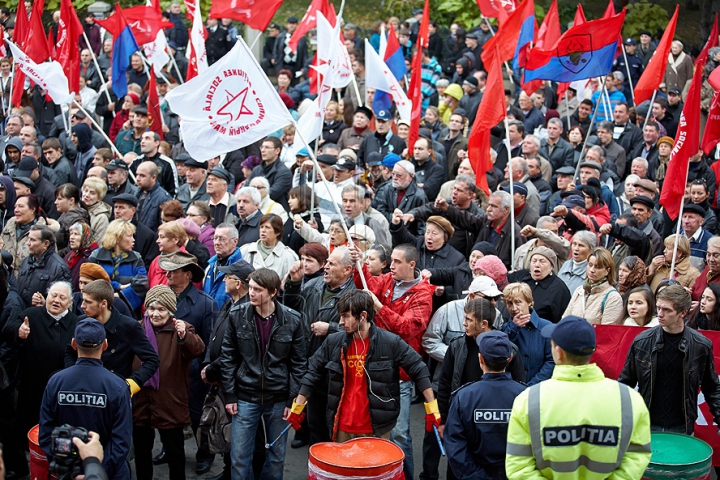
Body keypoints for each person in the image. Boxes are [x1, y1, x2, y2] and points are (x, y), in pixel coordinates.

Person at [506, 315, 652, 479]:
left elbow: (519, 470)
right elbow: (637, 457)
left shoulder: (528, 400)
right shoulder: (630, 399)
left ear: (558, 352)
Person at [292, 290, 436, 443]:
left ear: (363, 316)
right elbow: (312, 371)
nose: (341, 322)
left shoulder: (390, 342)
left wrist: (432, 409)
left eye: (346, 316)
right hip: (341, 427)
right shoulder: (333, 342)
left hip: (376, 429)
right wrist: (298, 406)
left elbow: (419, 369)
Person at [349, 243, 435, 479]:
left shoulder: (423, 294)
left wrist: (378, 306)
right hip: (374, 366)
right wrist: (358, 264)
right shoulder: (388, 280)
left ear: (412, 265)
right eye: (392, 261)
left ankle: (404, 475)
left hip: (400, 375)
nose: (391, 265)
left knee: (398, 435)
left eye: (397, 262)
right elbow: (365, 284)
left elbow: (408, 329)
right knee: (371, 430)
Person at [220, 268, 307, 479]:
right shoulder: (237, 315)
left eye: (257, 290)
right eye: (250, 288)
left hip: (278, 397)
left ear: (272, 292)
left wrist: (291, 400)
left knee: (277, 456)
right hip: (245, 395)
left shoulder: (293, 320)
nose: (251, 293)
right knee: (239, 456)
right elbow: (228, 357)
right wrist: (230, 395)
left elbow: (298, 363)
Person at [39, 318, 132, 480]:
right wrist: (95, 472)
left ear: (74, 344)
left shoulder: (56, 381)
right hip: (108, 473)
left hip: (68, 471)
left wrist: (67, 467)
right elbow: (121, 441)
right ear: (104, 345)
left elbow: (46, 435)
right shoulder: (117, 385)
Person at [619, 285, 720, 434]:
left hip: (682, 426)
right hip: (647, 423)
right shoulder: (642, 341)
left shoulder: (700, 345)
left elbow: (711, 387)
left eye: (667, 310)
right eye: (658, 308)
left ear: (683, 312)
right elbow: (625, 383)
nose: (660, 314)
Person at [284, 247, 356, 446]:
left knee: (332, 424)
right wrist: (293, 283)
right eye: (327, 263)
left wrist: (331, 328)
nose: (326, 267)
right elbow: (291, 310)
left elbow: (360, 333)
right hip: (310, 362)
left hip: (335, 371)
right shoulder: (313, 285)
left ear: (347, 270)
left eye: (332, 264)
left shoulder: (355, 296)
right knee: (314, 420)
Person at [133, 285, 205, 480]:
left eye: (161, 309)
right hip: (141, 402)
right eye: (152, 308)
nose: (156, 314)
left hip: (170, 401)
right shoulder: (137, 329)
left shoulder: (181, 329)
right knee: (141, 452)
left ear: (171, 311)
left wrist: (185, 337)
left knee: (175, 452)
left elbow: (197, 349)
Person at [444, 330, 526, 480]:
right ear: (510, 359)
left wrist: (476, 476)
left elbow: (455, 446)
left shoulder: (464, 397)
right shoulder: (526, 396)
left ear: (480, 359)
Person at [6, 282, 78, 447]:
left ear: (70, 302)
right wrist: (19, 332)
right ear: (46, 296)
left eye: (62, 298)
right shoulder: (31, 315)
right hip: (32, 384)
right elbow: (8, 330)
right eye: (53, 295)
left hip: (62, 387)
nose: (56, 300)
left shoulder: (76, 322)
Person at [200, 259, 254, 480]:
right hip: (219, 377)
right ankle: (228, 470)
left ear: (239, 283)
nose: (223, 279)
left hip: (235, 383)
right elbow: (214, 336)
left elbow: (236, 352)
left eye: (228, 277)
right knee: (224, 427)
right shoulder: (229, 303)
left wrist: (211, 369)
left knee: (235, 433)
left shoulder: (247, 310)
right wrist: (207, 363)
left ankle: (235, 473)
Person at [87, 219, 149, 314]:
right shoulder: (96, 256)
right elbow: (90, 280)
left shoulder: (136, 258)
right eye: (129, 236)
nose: (133, 240)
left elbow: (141, 284)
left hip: (127, 312)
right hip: (98, 309)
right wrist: (118, 286)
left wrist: (118, 295)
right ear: (118, 238)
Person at [501, 283, 555, 385]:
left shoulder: (546, 327)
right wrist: (513, 328)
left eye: (518, 302)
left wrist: (532, 386)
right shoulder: (505, 329)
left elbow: (551, 361)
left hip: (539, 388)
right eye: (509, 303)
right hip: (513, 389)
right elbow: (502, 356)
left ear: (529, 302)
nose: (514, 308)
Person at [506, 247, 571, 323]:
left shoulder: (559, 289)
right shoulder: (520, 276)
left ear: (551, 267)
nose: (537, 265)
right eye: (534, 261)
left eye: (542, 262)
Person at [563, 248, 623, 325]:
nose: (592, 270)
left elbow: (607, 332)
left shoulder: (613, 297)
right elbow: (565, 320)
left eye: (597, 267)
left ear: (607, 271)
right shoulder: (579, 290)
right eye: (590, 265)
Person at [1, 194, 58, 274]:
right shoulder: (8, 227)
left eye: (21, 206)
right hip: (6, 279)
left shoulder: (44, 233)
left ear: (32, 209)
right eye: (15, 207)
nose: (16, 210)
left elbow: (51, 264)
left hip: (30, 280)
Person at [17, 225, 72, 308]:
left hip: (41, 318)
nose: (28, 243)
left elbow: (63, 303)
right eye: (28, 239)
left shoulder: (60, 268)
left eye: (32, 240)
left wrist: (44, 303)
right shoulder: (26, 262)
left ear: (45, 244)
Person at [240, 214, 298, 281]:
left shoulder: (288, 256)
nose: (263, 230)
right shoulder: (246, 250)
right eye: (261, 227)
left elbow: (291, 285)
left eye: (267, 227)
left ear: (277, 232)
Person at [203, 223, 244, 308]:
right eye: (215, 238)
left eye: (222, 239)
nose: (217, 243)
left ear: (235, 242)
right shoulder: (209, 266)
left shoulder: (242, 271)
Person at [54, 183, 90, 253]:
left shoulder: (77, 220)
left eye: (59, 199)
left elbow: (73, 248)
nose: (55, 202)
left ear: (71, 200)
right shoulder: (65, 214)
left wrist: (55, 256)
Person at [64, 222, 99, 291]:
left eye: (76, 234)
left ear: (85, 236)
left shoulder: (93, 255)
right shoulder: (70, 255)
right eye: (71, 234)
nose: (72, 237)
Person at [82, 177, 111, 242]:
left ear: (99, 198)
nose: (86, 195)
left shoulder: (101, 218)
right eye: (86, 190)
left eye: (92, 193)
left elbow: (98, 244)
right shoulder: (74, 208)